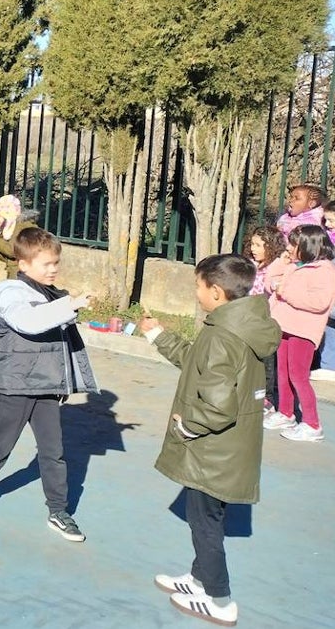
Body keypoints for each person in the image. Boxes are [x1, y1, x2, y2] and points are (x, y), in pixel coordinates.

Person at [140, 254, 281, 628]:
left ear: (215, 292)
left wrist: (188, 427)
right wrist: (159, 335)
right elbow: (199, 364)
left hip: (213, 450)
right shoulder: (244, 325)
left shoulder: (221, 334)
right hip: (228, 449)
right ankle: (199, 578)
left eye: (198, 286)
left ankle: (219, 600)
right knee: (205, 515)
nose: (196, 293)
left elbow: (218, 406)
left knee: (204, 523)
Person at [0, 227, 97, 542]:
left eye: (56, 263)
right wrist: (71, 304)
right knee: (1, 444)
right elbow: (30, 322)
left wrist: (64, 383)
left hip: (47, 386)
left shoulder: (53, 294)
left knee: (53, 451)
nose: (53, 269)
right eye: (46, 264)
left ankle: (58, 511)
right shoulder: (12, 292)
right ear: (23, 264)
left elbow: (60, 345)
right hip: (15, 386)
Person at [263, 224, 335, 441]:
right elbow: (270, 284)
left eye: (294, 244)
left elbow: (319, 302)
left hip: (303, 331)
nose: (290, 248)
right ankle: (286, 412)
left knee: (298, 377)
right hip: (285, 325)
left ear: (308, 245)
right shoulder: (295, 265)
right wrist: (279, 263)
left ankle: (313, 424)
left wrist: (286, 291)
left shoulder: (324, 270)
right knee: (282, 373)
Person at [244, 225, 288, 414]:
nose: (253, 249)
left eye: (259, 245)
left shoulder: (276, 267)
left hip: (267, 319)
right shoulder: (249, 265)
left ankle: (267, 398)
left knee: (267, 361)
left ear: (271, 247)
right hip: (249, 316)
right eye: (252, 244)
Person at [0, 194, 39, 280]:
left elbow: (13, 250)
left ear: (7, 215)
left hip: (24, 276)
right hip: (16, 273)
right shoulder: (9, 229)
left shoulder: (23, 227)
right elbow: (5, 258)